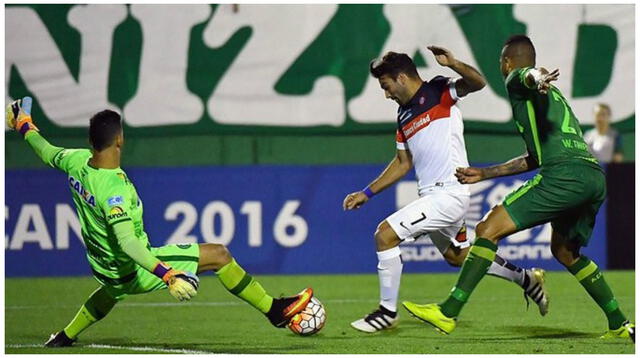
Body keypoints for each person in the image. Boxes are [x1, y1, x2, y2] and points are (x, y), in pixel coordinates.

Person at [5, 98, 313, 347]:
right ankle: (274, 310)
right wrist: (167, 275)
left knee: (114, 288)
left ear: (91, 141)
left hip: (101, 267)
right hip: (129, 266)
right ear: (120, 139)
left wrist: (24, 125)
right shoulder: (114, 190)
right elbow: (128, 243)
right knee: (219, 255)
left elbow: (45, 151)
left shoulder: (75, 161)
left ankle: (66, 336)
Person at [401, 35, 635, 342]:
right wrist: (486, 173)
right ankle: (620, 323)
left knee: (487, 229)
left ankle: (448, 312)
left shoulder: (517, 79)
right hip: (593, 177)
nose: (501, 66)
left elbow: (525, 76)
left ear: (508, 61)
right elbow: (534, 159)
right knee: (565, 252)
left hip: (564, 175)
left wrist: (534, 75)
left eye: (501, 60)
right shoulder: (554, 99)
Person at [343, 47, 548, 333]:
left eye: (386, 86)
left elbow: (478, 83)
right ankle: (526, 279)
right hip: (432, 196)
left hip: (449, 194)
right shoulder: (403, 115)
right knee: (458, 256)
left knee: (385, 236)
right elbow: (403, 163)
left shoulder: (439, 90)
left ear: (401, 78)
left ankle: (386, 312)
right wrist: (367, 192)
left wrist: (454, 64)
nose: (386, 94)